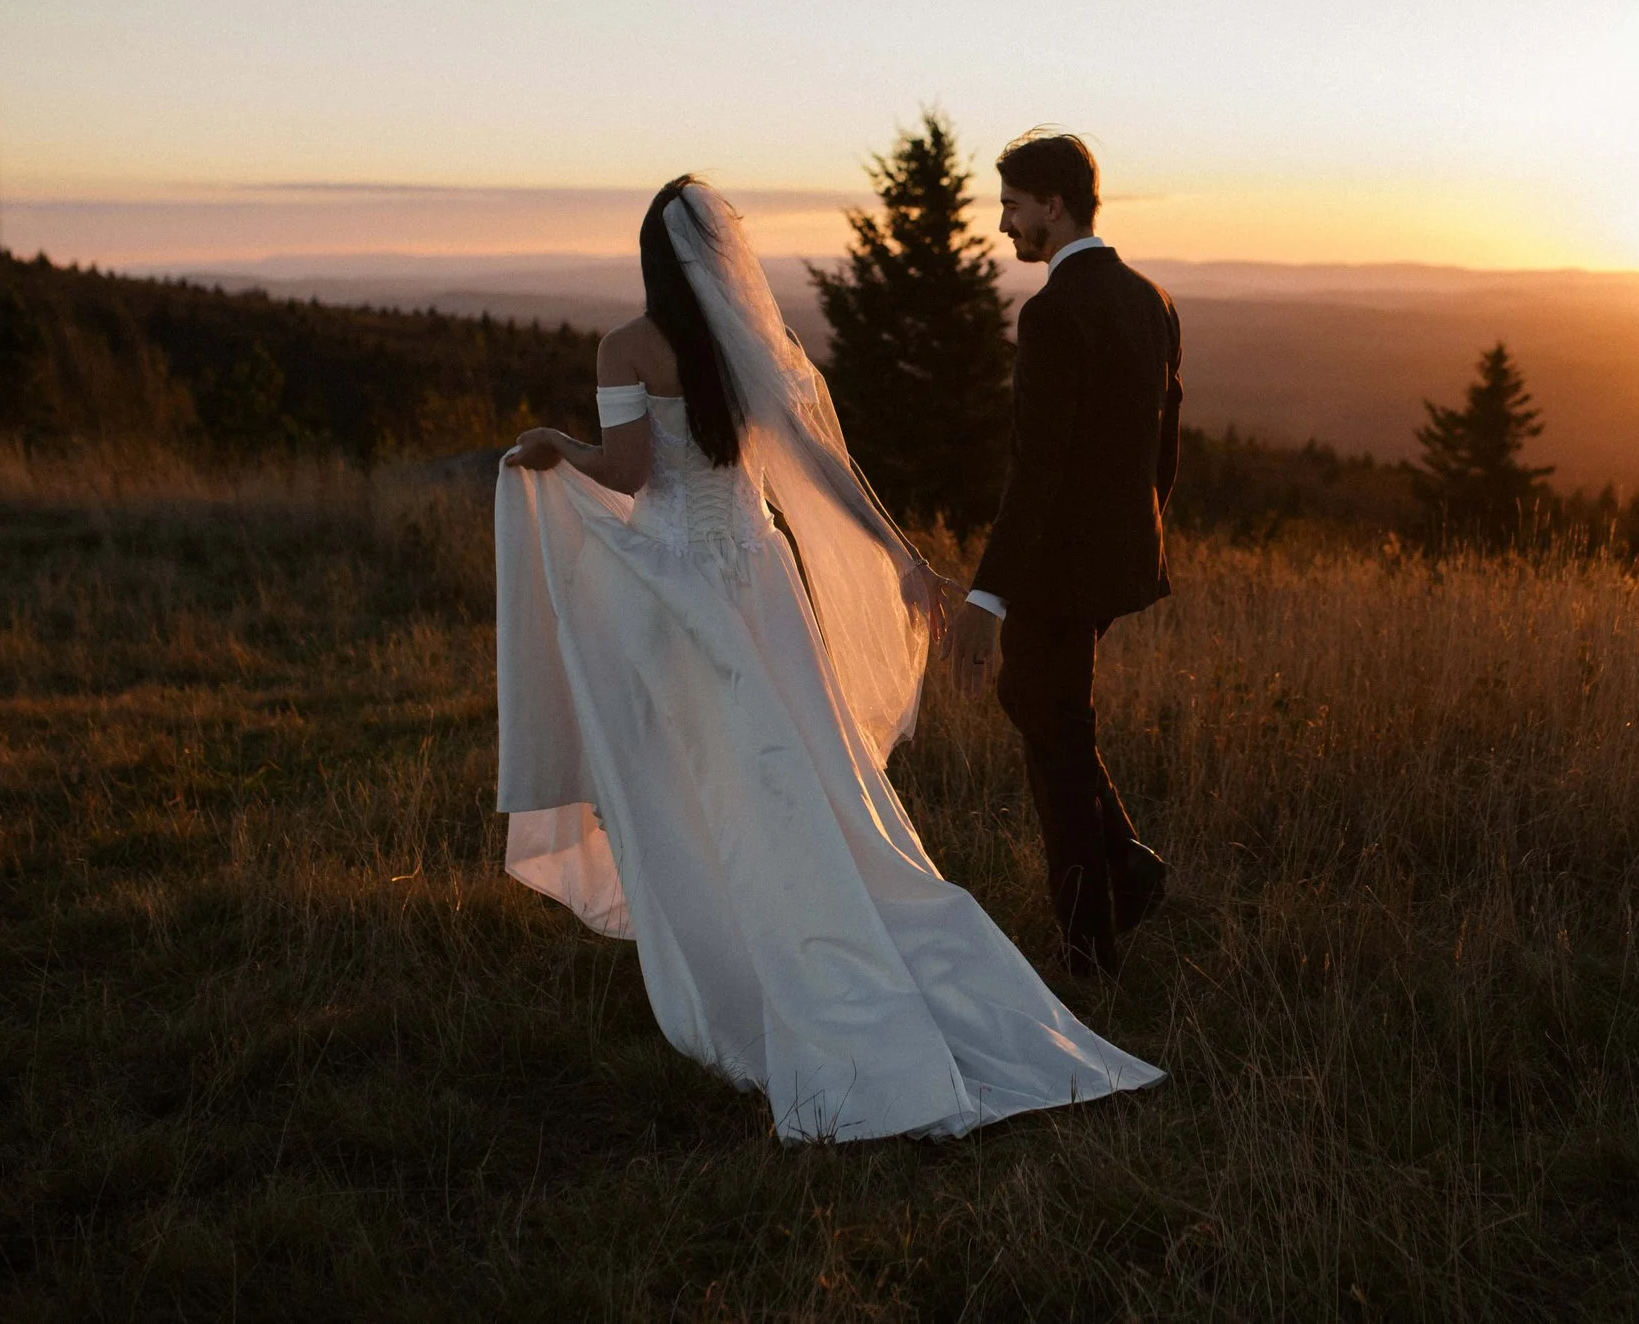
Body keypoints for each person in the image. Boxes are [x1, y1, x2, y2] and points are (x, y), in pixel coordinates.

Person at [496, 175, 1162, 1143]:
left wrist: (557, 442)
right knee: (802, 769)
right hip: (762, 580)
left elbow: (629, 473)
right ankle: (825, 925)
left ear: (651, 254)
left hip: (680, 582)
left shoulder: (629, 344)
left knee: (704, 772)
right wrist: (903, 558)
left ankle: (754, 952)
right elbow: (820, 471)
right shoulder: (750, 347)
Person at [948, 132, 1181, 978]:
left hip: (1058, 569)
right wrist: (1140, 535)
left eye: (1011, 205)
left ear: (1053, 205)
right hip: (1117, 563)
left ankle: (1088, 948)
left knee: (1055, 741)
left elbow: (1036, 467)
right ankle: (1129, 864)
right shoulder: (1151, 297)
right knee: (1041, 704)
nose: (1003, 222)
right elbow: (1166, 447)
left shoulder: (1052, 311)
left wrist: (988, 597)